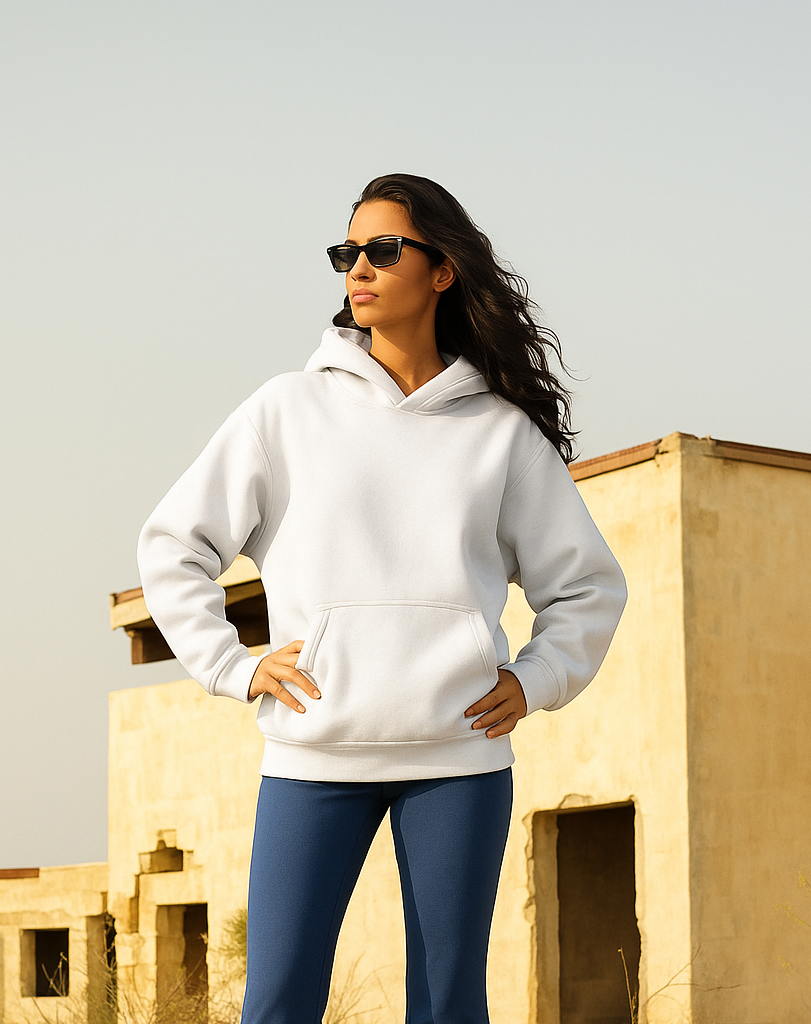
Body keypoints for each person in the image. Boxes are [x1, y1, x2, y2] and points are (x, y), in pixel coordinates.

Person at [137, 173, 627, 1024]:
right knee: (279, 999)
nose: (357, 269)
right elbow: (173, 545)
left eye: (381, 250)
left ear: (441, 271)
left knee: (446, 1006)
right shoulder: (285, 410)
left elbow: (587, 584)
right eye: (346, 253)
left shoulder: (499, 433)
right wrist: (231, 664)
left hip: (458, 759)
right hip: (314, 752)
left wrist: (539, 677)